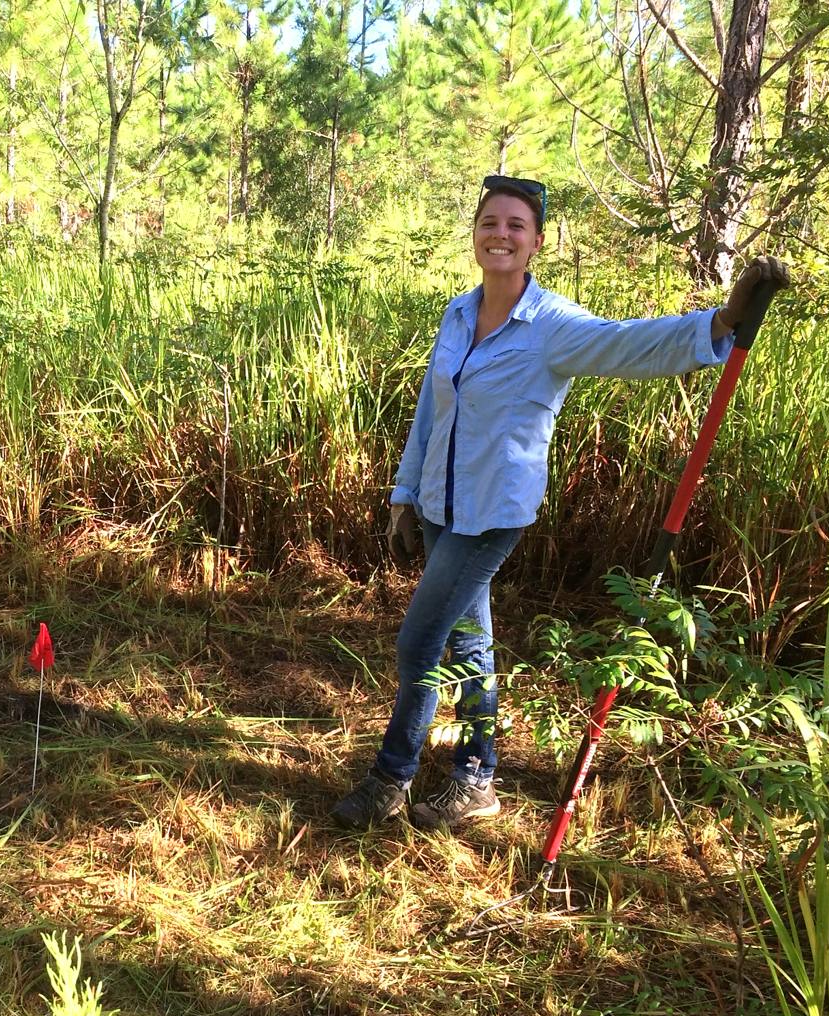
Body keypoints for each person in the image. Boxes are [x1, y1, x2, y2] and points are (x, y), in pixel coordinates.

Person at [331, 173, 790, 832]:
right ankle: (476, 779)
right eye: (491, 221)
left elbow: (630, 342)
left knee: (419, 645)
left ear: (536, 242)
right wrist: (405, 495)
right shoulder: (457, 315)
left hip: (491, 516)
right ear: (475, 233)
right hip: (439, 506)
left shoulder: (551, 326)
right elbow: (431, 413)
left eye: (517, 226)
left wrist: (721, 321)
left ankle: (391, 777)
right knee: (470, 648)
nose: (502, 234)